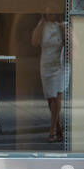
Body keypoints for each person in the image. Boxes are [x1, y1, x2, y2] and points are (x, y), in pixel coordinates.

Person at [33, 10, 68, 143]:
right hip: (45, 64)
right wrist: (40, 25)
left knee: (55, 97)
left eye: (52, 11)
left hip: (58, 65)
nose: (50, 14)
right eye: (48, 11)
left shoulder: (63, 25)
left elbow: (70, 44)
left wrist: (64, 30)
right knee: (50, 98)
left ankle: (52, 130)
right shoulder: (43, 25)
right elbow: (34, 41)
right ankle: (58, 129)